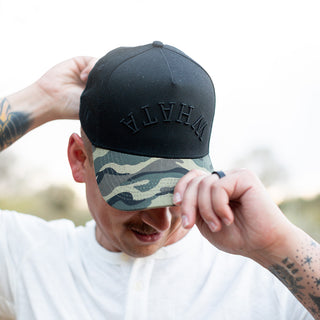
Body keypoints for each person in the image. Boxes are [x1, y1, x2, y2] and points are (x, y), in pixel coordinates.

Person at [0, 41, 319, 320]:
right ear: (79, 159)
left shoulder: (268, 274)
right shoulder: (30, 257)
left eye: (177, 192)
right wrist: (39, 100)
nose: (163, 220)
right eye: (138, 191)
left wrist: (277, 245)